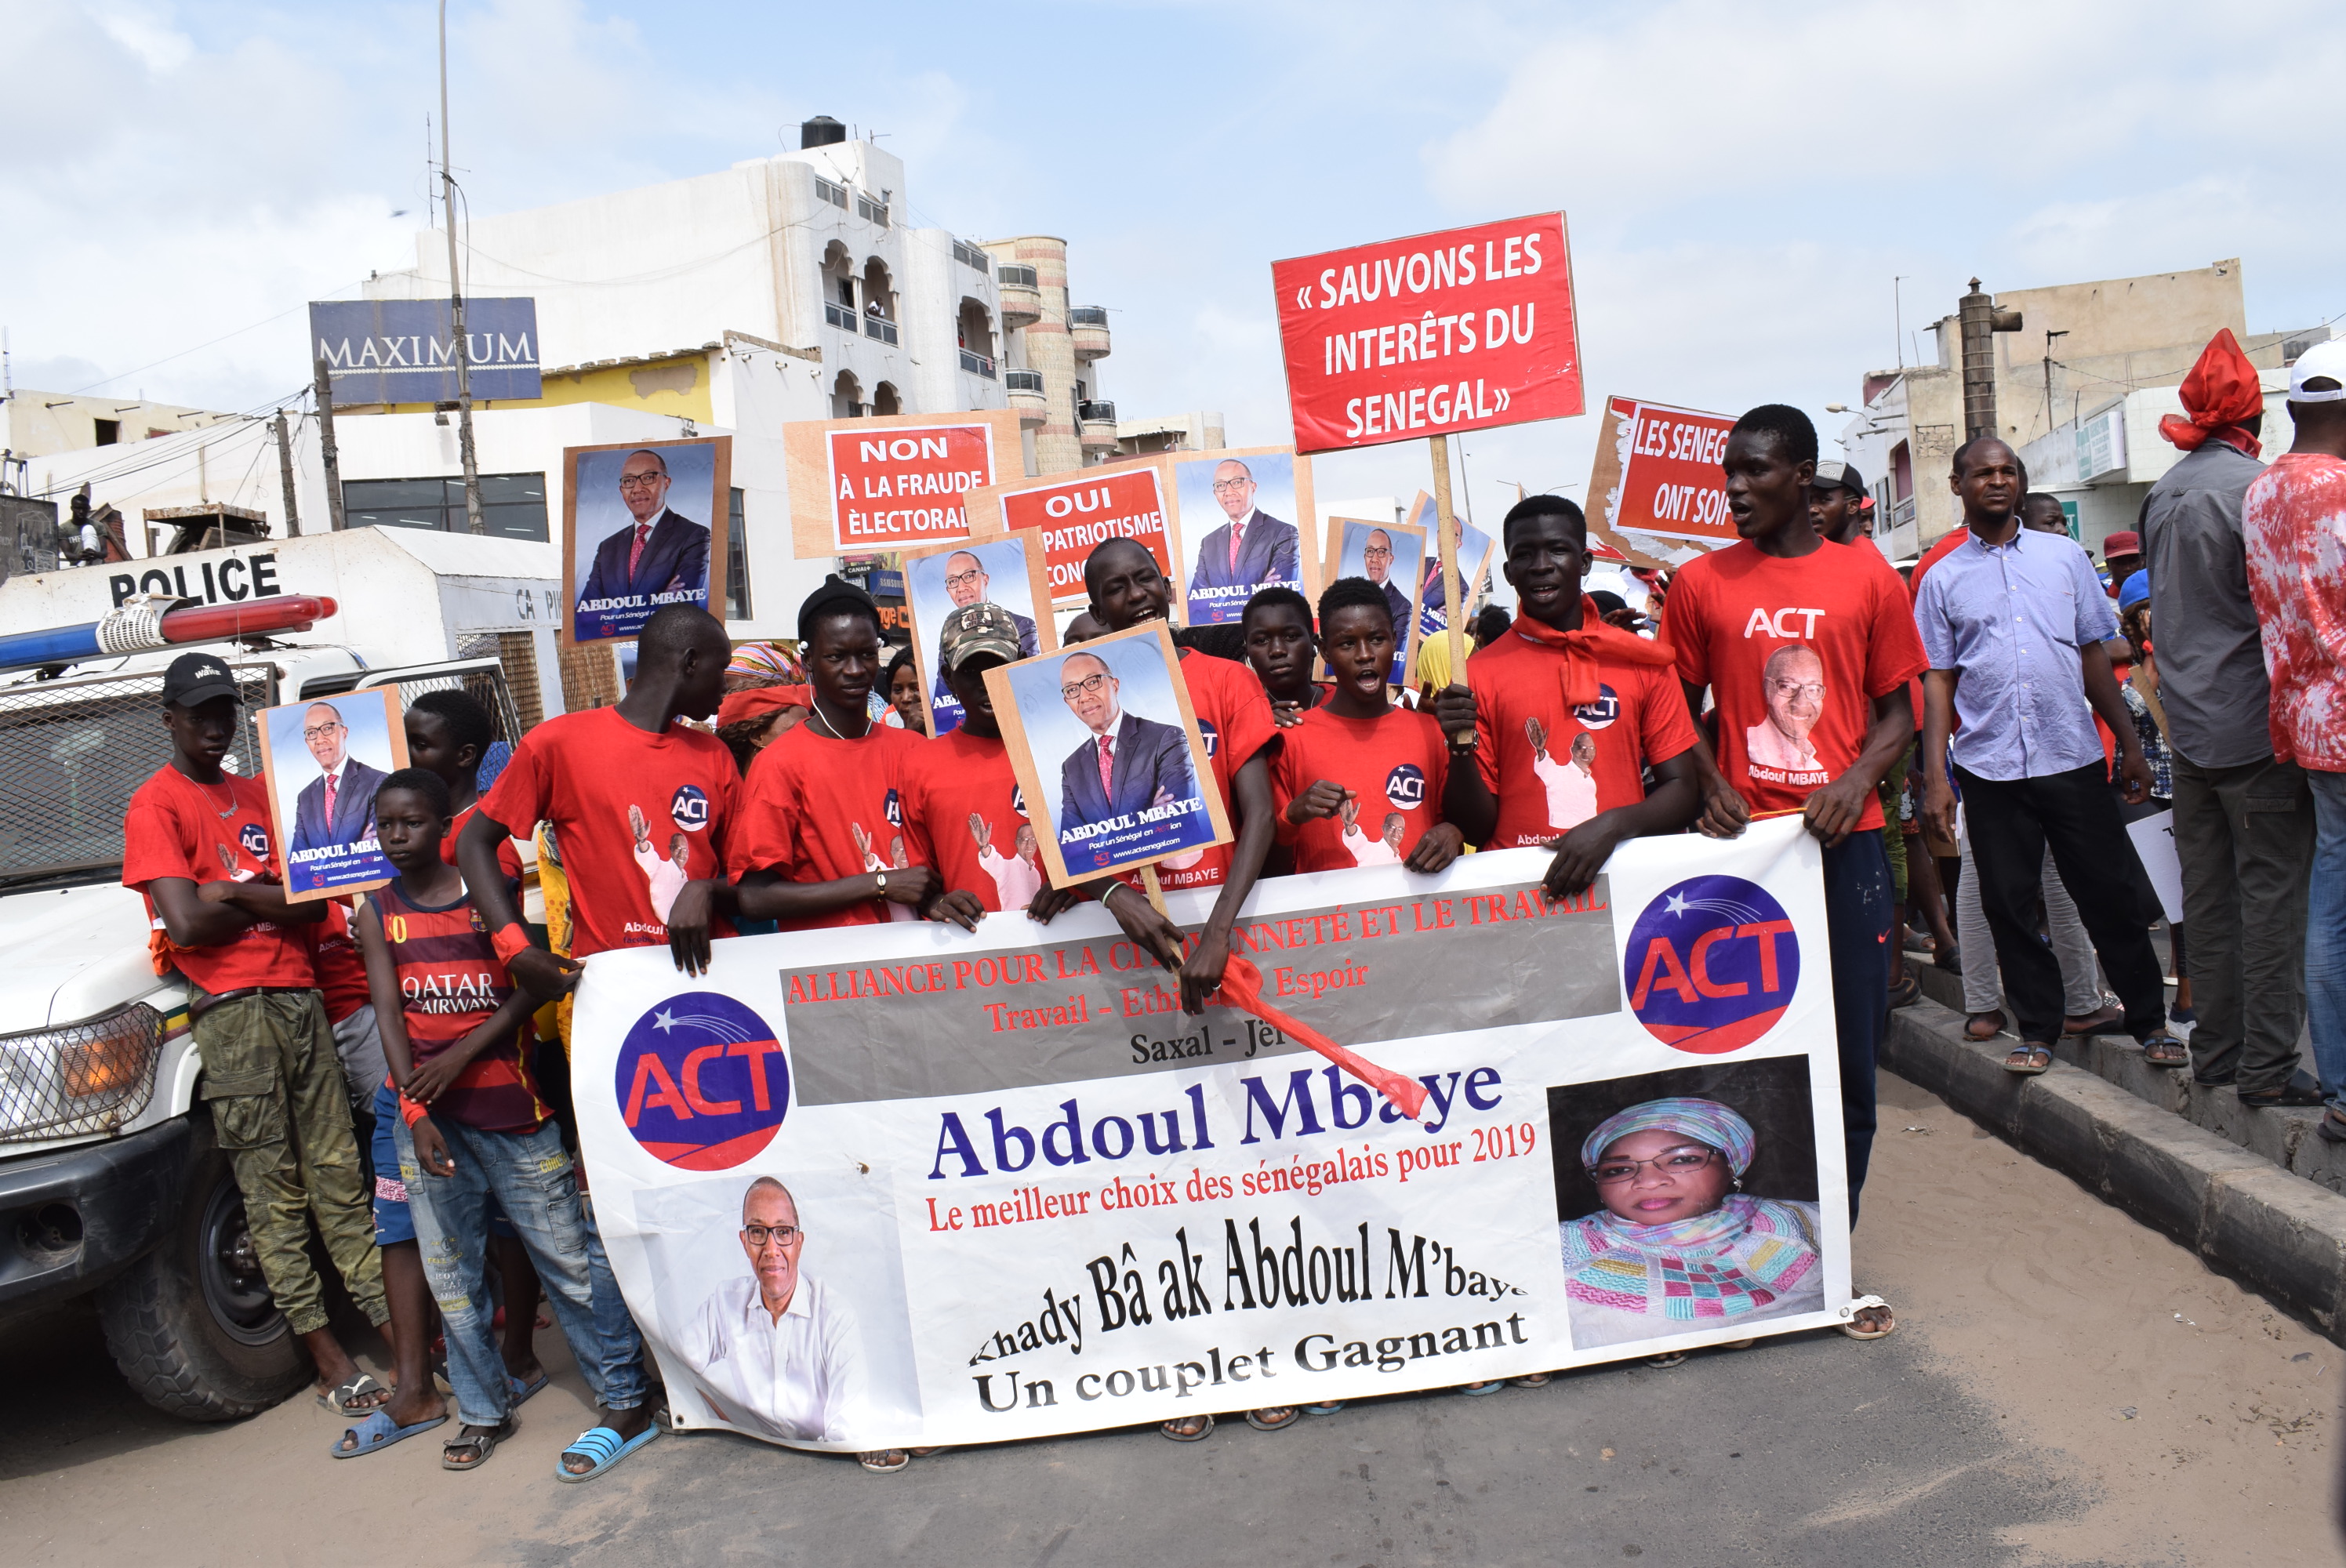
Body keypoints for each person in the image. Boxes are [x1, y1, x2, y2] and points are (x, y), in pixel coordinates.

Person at [461, 604, 743, 1481]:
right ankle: (637, 1389)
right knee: (628, 1198)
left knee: (724, 1183)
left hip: (712, 1004)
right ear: (686, 659)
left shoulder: (715, 757)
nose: (723, 686)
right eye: (719, 668)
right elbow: (473, 836)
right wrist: (519, 947)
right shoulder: (560, 743)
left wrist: (710, 887)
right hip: (610, 1007)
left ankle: (729, 1369)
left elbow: (745, 871)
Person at [1661, 405, 1923, 1341]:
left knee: (1851, 1057)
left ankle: (1830, 1257)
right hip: (1740, 861)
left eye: (1753, 471)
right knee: (1738, 1051)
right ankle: (1731, 1251)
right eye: (1727, 472)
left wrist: (1856, 780)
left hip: (1842, 852)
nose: (1733, 487)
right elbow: (1674, 711)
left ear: (1801, 476)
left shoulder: (1866, 576)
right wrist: (1709, 778)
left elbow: (1901, 709)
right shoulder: (1697, 583)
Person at [121, 652, 390, 1419]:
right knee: (271, 1187)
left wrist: (233, 889)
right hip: (232, 1010)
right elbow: (186, 921)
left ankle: (392, 1328)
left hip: (300, 996)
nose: (214, 724)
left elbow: (314, 906)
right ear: (168, 718)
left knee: (339, 1173)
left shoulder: (262, 795)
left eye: (224, 710)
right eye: (198, 712)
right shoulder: (157, 805)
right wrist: (265, 898)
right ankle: (326, 1355)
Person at [1080, 537, 1287, 1440]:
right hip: (1129, 955)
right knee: (1160, 1172)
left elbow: (1260, 814)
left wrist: (1216, 930)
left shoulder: (1224, 678)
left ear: (1167, 586)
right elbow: (1065, 834)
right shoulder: (1072, 699)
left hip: (1220, 938)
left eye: (1141, 580)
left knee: (1253, 1154)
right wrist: (1118, 892)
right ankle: (1183, 1365)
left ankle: (1270, 1350)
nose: (1131, 596)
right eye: (1109, 588)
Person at [1916, 435, 2191, 1082]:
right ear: (1957, 486)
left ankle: (2149, 1021)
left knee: (2109, 893)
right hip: (1990, 767)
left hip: (2069, 755)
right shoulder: (1943, 577)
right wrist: (1935, 774)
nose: (1997, 481)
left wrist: (2126, 742)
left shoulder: (2064, 557)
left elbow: (2096, 654)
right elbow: (1938, 678)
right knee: (2009, 904)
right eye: (1983, 473)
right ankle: (2038, 1029)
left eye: (2008, 471)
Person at [360, 768, 605, 1474]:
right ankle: (481, 1411)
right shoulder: (377, 912)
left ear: (445, 828)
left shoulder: (485, 901)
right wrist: (415, 1106)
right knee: (453, 1275)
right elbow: (389, 1012)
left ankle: (622, 1388)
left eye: (412, 823)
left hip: (511, 1108)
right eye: (386, 824)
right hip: (432, 1120)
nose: (397, 836)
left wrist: (459, 1057)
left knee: (568, 1260)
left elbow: (534, 986)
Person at [2141, 329, 2319, 1105]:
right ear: (2254, 412)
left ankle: (2215, 1054)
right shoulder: (2257, 488)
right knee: (2273, 901)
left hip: (2191, 732)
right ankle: (2267, 1068)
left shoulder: (2163, 492)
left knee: (2209, 903)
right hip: (2253, 732)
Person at [1434, 495, 1699, 900]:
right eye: (1524, 554)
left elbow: (1682, 789)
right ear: (1508, 572)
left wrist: (1611, 827)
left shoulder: (1642, 661)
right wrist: (1459, 747)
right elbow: (1476, 827)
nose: (1541, 565)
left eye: (1558, 550)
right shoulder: (1477, 675)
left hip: (1624, 889)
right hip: (1519, 899)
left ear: (1586, 562)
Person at [404, 688, 541, 1374]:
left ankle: (518, 1349)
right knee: (447, 1221)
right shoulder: (410, 831)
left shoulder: (485, 845)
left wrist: (459, 1055)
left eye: (421, 745)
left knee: (512, 1217)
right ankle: (473, 1356)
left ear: (463, 757)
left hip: (488, 1063)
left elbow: (510, 972)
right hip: (421, 1065)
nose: (408, 757)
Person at [2242, 338, 2346, 1136]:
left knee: (2327, 898)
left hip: (2305, 713)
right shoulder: (2340, 488)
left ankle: (2341, 1083)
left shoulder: (2262, 489)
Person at [726, 579, 945, 937]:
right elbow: (755, 897)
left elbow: (936, 867)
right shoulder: (779, 764)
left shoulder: (913, 749)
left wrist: (937, 899)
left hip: (924, 970)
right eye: (836, 657)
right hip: (836, 981)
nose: (856, 669)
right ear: (809, 659)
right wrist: (879, 884)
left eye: (866, 654)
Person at [1559, 1098, 1825, 1351]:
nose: (1649, 1181)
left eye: (1682, 1159)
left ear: (1731, 1167)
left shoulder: (1803, 1222)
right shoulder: (1561, 1249)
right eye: (1619, 1170)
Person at [1272, 577, 1464, 874]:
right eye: (1347, 643)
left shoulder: (1431, 732)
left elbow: (1457, 826)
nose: (1364, 654)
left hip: (1420, 916)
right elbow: (1269, 861)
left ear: (1395, 640)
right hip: (1327, 918)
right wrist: (1291, 816)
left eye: (1376, 639)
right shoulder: (1291, 737)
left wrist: (1454, 832)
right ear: (1324, 651)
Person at [899, 604, 1075, 922]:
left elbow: (1102, 849)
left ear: (1020, 665)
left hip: (1073, 949)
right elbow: (917, 879)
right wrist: (936, 902)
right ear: (948, 680)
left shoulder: (1064, 747)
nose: (985, 683)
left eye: (997, 665)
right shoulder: (918, 765)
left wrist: (1079, 887)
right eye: (970, 670)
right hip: (974, 959)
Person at [685, 1178, 863, 1447]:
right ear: (744, 1241)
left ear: (799, 1242)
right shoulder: (726, 1302)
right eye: (758, 1232)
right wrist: (718, 1415)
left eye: (782, 1232)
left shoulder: (834, 1315)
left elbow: (847, 1430)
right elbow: (677, 1363)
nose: (771, 1250)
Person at [1052, 649, 1198, 836]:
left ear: (1114, 685)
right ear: (1067, 702)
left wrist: (1101, 836)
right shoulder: (1071, 767)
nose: (1084, 697)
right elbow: (1074, 845)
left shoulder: (1165, 738)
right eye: (1072, 690)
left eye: (1092, 682)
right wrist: (1149, 817)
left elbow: (1177, 820)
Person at [576, 448, 711, 610]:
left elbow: (680, 606)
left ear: (666, 483)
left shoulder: (693, 536)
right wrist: (657, 599)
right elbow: (587, 612)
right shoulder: (608, 548)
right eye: (629, 481)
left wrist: (614, 612)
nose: (637, 488)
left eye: (648, 478)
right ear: (621, 491)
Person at [1186, 459, 1301, 622]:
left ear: (1253, 487)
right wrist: (1258, 589)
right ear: (1215, 494)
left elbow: (1277, 599)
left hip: (1264, 629)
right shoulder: (1208, 543)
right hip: (1221, 636)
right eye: (1221, 485)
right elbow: (1197, 604)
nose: (1228, 491)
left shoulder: (1283, 533)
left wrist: (1220, 602)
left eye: (1237, 482)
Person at [931, 549, 1039, 699]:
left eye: (969, 576)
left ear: (985, 580)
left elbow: (1030, 688)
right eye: (953, 581)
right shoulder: (949, 635)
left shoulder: (1020, 625)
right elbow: (944, 697)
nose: (961, 587)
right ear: (948, 590)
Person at [288, 701, 389, 859]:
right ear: (307, 742)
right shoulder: (305, 797)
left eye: (328, 728)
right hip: (321, 884)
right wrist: (355, 850)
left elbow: (377, 850)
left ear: (344, 732)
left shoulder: (377, 782)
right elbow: (299, 861)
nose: (320, 740)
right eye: (312, 733)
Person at [1241, 586, 1329, 727]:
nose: (1277, 650)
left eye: (1291, 636)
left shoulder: (1348, 705)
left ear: (1314, 645)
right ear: (1248, 655)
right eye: (1262, 640)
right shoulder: (1241, 719)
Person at [1810, 459, 1874, 546]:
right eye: (1809, 500)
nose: (1812, 509)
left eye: (1824, 500)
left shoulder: (1864, 557)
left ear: (1852, 506)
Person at [1359, 528, 1412, 626]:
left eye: (1381, 552)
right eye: (1370, 551)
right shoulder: (1355, 597)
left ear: (1391, 560)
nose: (1374, 559)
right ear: (1365, 557)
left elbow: (1397, 642)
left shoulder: (1402, 606)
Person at [883, 646, 926, 732]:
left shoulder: (952, 724)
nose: (905, 698)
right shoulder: (889, 721)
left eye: (915, 688)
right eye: (898, 690)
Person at [2099, 529, 2143, 598]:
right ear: (2108, 565)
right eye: (2119, 563)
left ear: (2143, 561)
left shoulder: (2157, 596)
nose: (2128, 568)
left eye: (2134, 561)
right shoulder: (2103, 603)